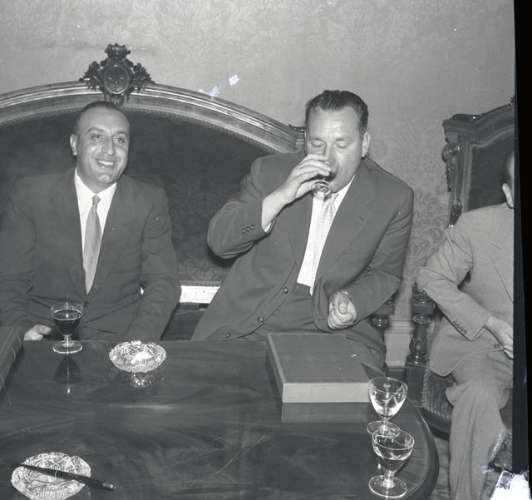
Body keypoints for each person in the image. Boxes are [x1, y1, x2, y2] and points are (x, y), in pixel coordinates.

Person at [192, 90, 414, 373]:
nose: (328, 159)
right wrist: (281, 196)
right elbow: (220, 243)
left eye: (341, 144)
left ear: (364, 144)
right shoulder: (269, 172)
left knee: (345, 398)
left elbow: (386, 273)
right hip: (252, 322)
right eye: (317, 144)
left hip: (336, 332)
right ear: (306, 140)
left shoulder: (392, 197)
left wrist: (353, 300)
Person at [0, 101, 179, 342]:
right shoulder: (31, 195)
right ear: (75, 144)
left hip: (119, 339)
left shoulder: (148, 201)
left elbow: (163, 282)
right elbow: (9, 277)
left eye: (120, 140)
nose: (110, 150)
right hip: (43, 336)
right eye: (96, 137)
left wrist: (136, 342)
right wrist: (21, 329)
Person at [417, 151, 515, 500]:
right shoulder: (477, 227)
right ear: (510, 193)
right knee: (478, 395)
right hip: (487, 345)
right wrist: (490, 323)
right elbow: (431, 278)